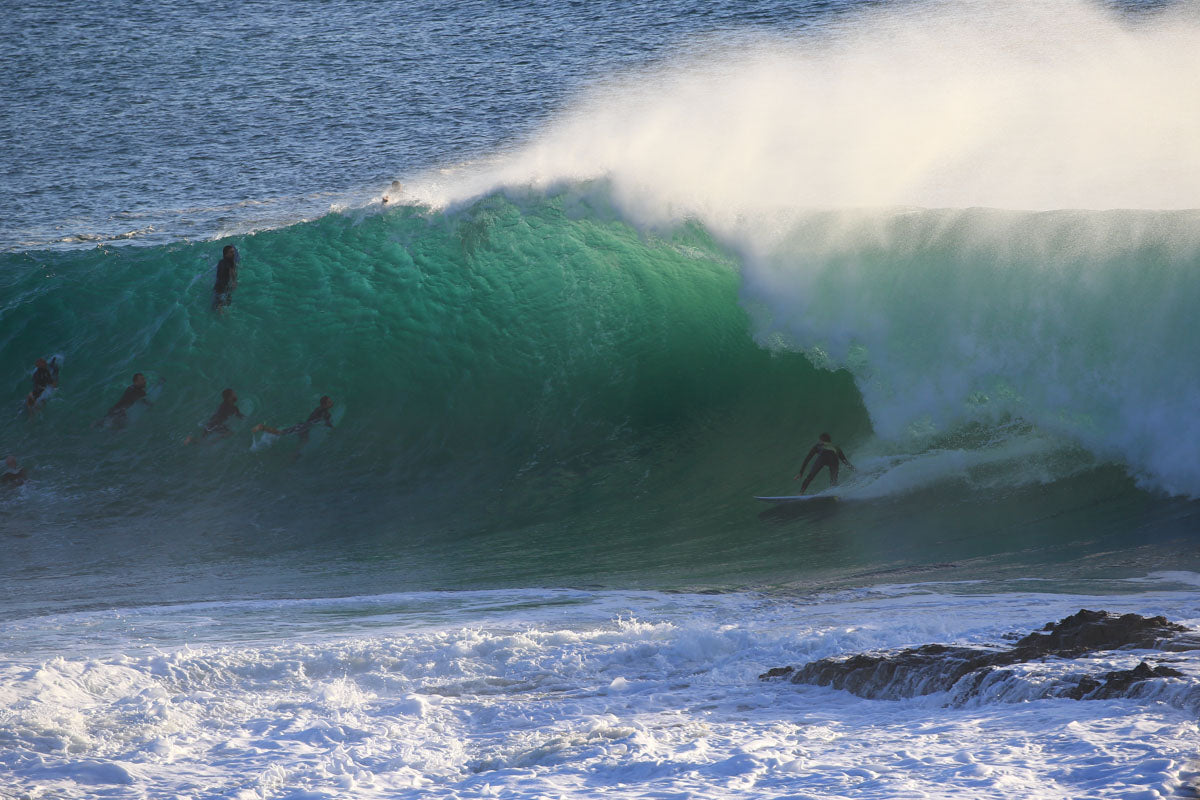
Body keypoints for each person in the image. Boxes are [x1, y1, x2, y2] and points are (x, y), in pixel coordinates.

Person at [252, 395, 334, 445]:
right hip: (303, 427)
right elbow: (327, 423)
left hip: (303, 425)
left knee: (303, 440)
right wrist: (332, 428)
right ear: (325, 404)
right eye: (330, 402)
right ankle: (262, 427)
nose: (332, 402)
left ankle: (296, 455)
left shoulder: (319, 409)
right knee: (280, 433)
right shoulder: (324, 412)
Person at [212, 245, 239, 312]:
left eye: (233, 252)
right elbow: (232, 272)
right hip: (224, 287)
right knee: (225, 303)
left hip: (217, 286)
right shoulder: (230, 263)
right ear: (226, 254)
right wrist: (234, 282)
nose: (233, 254)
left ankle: (219, 315)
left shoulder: (220, 262)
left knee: (218, 304)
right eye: (231, 252)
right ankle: (222, 317)